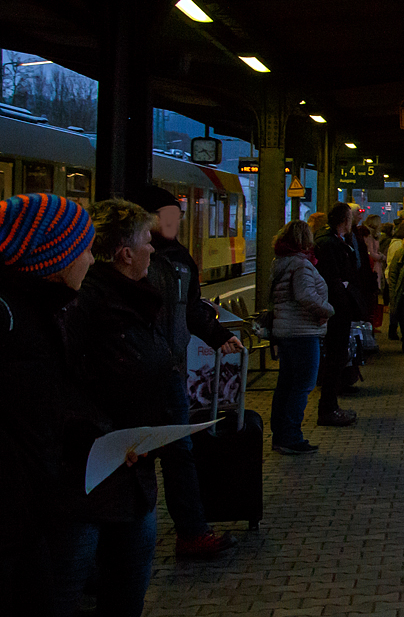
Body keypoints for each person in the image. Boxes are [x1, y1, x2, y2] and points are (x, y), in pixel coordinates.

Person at [58, 199, 178, 617]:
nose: (153, 248)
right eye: (147, 239)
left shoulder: (136, 298)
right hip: (87, 474)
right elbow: (62, 385)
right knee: (66, 589)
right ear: (125, 252)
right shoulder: (81, 306)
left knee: (127, 586)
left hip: (131, 469)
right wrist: (105, 433)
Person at [128, 184, 241, 559]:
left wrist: (218, 332)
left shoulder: (178, 260)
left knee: (180, 453)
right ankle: (117, 547)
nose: (175, 222)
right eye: (167, 216)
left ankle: (192, 532)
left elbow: (191, 309)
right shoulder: (127, 262)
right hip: (135, 370)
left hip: (171, 371)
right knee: (135, 455)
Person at [0, 194, 95, 614]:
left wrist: (91, 439)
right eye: (84, 249)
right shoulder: (13, 326)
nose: (91, 260)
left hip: (26, 518)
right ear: (53, 257)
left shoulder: (37, 313)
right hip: (13, 524)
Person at [268, 220, 333, 454]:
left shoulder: (281, 262)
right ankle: (291, 437)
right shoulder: (301, 266)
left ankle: (280, 435)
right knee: (302, 387)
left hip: (286, 332)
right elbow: (306, 296)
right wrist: (327, 310)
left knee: (285, 385)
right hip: (303, 332)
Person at [312, 202, 359, 426]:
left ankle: (331, 406)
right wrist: (343, 291)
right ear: (344, 220)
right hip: (335, 310)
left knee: (337, 357)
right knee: (334, 358)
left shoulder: (335, 242)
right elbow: (331, 279)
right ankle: (328, 409)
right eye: (351, 217)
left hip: (338, 308)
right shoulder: (329, 244)